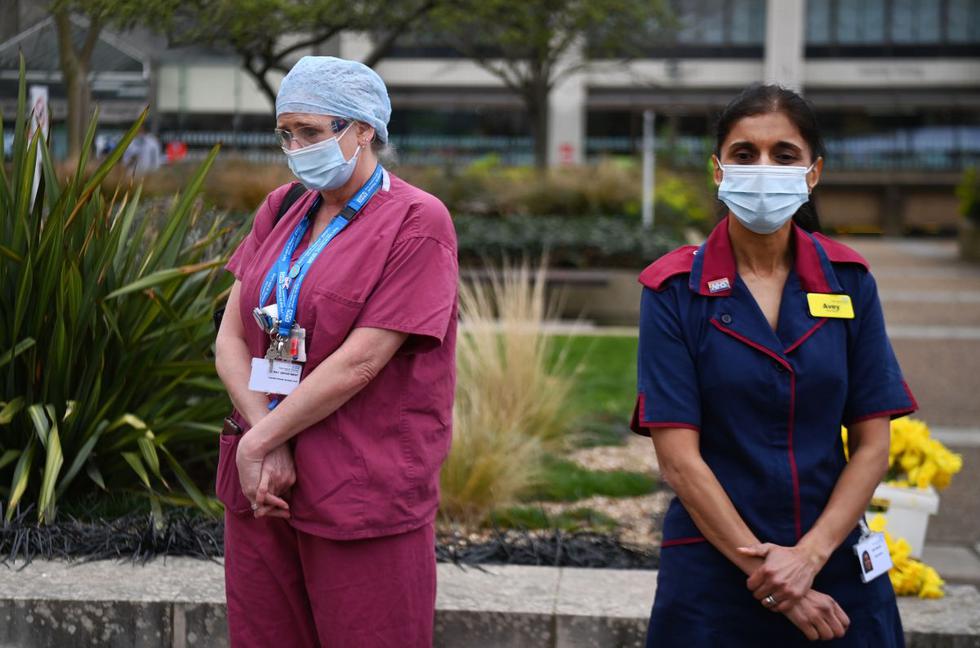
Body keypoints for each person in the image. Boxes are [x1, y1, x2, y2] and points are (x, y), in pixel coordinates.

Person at [631, 84, 915, 646]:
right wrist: (775, 580)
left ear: (813, 173)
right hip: (716, 567)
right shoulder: (671, 289)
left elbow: (874, 444)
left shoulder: (849, 280)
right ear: (718, 170)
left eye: (784, 155)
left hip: (832, 557)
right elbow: (679, 459)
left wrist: (807, 559)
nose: (762, 167)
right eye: (744, 154)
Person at [214, 56, 458, 647]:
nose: (296, 148)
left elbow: (363, 361)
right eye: (286, 133)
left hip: (359, 488)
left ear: (363, 129)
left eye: (312, 133)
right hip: (265, 486)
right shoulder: (280, 208)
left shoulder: (417, 221)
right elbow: (229, 338)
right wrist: (263, 438)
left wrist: (261, 440)